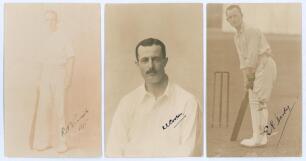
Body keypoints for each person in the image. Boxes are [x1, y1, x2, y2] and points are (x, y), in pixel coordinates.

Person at [107, 38, 202, 157]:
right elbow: (114, 150)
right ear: (137, 64)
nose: (150, 66)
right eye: (145, 60)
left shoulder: (187, 102)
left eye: (156, 59)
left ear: (165, 61)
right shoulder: (127, 103)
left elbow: (189, 152)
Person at [226, 5, 277, 147]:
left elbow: (253, 55)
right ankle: (259, 137)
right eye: (229, 17)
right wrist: (245, 79)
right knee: (255, 100)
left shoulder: (251, 31)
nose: (232, 19)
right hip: (255, 68)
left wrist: (250, 77)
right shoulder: (236, 36)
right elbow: (243, 59)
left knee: (259, 102)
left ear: (242, 15)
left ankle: (259, 138)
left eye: (235, 15)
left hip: (264, 65)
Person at [32, 10, 75, 153]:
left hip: (59, 73)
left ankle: (62, 143)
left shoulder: (63, 37)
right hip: (45, 74)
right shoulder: (42, 39)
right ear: (44, 22)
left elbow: (71, 57)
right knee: (44, 109)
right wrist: (39, 79)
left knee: (60, 109)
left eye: (52, 20)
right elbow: (39, 62)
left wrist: (68, 77)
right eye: (47, 20)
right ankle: (44, 141)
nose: (50, 23)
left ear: (57, 22)